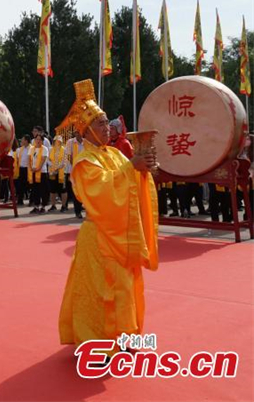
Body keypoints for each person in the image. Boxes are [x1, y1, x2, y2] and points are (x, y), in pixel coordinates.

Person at [59, 79, 158, 358]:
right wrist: (131, 168)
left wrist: (143, 170)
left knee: (124, 287)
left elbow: (129, 180)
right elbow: (100, 191)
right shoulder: (84, 162)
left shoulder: (114, 154)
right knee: (98, 290)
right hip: (99, 237)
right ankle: (97, 343)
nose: (107, 128)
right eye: (101, 123)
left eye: (106, 123)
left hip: (120, 233)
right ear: (87, 129)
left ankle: (124, 337)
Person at [63, 130, 84, 218]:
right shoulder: (70, 142)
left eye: (79, 132)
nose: (78, 134)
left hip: (85, 170)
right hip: (74, 169)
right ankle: (77, 211)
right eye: (76, 132)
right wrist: (75, 165)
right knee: (76, 190)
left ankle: (84, 207)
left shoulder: (86, 142)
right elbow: (68, 155)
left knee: (84, 190)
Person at [28, 134, 49, 214]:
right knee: (35, 190)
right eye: (37, 139)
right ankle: (36, 206)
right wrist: (31, 168)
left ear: (42, 141)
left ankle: (43, 206)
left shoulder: (44, 149)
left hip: (42, 172)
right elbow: (29, 159)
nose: (38, 141)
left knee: (43, 190)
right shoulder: (31, 148)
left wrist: (37, 168)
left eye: (40, 139)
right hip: (33, 171)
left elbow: (43, 160)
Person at [47, 135, 67, 212]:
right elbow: (48, 160)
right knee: (52, 190)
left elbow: (64, 161)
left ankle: (64, 206)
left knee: (63, 190)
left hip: (61, 172)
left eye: (59, 141)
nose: (57, 143)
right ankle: (53, 205)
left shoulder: (64, 149)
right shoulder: (50, 149)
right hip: (52, 172)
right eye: (56, 141)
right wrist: (53, 167)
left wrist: (57, 168)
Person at [16, 135, 31, 205]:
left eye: (22, 139)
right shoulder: (20, 149)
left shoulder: (31, 148)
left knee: (29, 185)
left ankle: (32, 200)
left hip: (29, 169)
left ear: (26, 141)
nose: (21, 141)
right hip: (21, 169)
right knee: (20, 185)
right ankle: (20, 200)